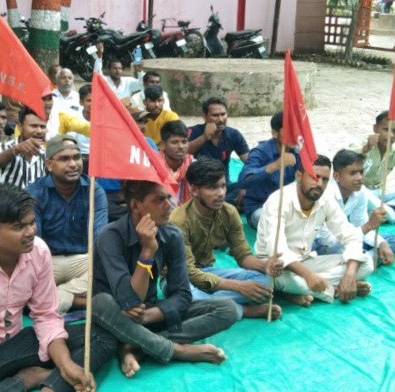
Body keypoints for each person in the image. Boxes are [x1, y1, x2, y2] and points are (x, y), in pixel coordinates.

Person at [0, 184, 116, 392]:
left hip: (18, 343)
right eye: (19, 227)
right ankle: (26, 380)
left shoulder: (38, 251)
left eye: (31, 223)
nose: (30, 232)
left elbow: (46, 315)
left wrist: (66, 366)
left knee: (100, 335)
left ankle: (51, 386)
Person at [91, 180, 236, 379]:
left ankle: (136, 347)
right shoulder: (110, 236)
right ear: (135, 206)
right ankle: (176, 350)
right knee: (100, 302)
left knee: (227, 309)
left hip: (149, 313)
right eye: (160, 200)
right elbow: (130, 301)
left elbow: (182, 294)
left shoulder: (172, 234)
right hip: (115, 316)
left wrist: (149, 315)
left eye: (169, 197)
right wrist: (147, 251)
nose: (170, 205)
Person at [170, 157, 282, 320]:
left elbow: (243, 256)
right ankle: (243, 310)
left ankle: (217, 306)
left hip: (209, 271)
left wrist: (265, 266)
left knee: (265, 280)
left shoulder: (229, 212)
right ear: (194, 190)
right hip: (179, 278)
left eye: (223, 186)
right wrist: (238, 287)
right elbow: (189, 272)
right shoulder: (179, 220)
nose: (221, 193)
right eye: (212, 188)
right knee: (188, 298)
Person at [255, 155, 374, 306]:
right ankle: (333, 290)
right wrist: (309, 276)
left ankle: (318, 288)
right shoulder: (278, 201)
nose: (319, 183)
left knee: (366, 263)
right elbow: (278, 251)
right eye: (314, 177)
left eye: (325, 180)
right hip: (274, 266)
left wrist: (350, 274)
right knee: (291, 281)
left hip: (305, 260)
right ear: (298, 176)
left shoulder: (325, 201)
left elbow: (350, 235)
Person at [27, 135, 107, 314]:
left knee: (108, 272)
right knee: (20, 285)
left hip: (83, 260)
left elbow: (98, 239)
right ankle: (79, 302)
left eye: (77, 157)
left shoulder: (94, 190)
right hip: (47, 262)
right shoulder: (34, 193)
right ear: (49, 165)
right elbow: (34, 244)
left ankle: (55, 298)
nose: (73, 164)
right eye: (64, 159)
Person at [314, 149, 395, 266]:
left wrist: (381, 243)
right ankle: (364, 261)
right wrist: (368, 226)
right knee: (334, 251)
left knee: (390, 240)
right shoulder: (326, 194)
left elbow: (359, 223)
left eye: (361, 172)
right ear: (337, 176)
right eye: (352, 173)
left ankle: (360, 261)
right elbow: (328, 241)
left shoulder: (360, 191)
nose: (359, 177)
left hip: (346, 241)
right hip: (322, 244)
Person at [239, 111, 300, 229]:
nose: (295, 135)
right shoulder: (260, 152)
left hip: (285, 206)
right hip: (259, 207)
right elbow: (243, 180)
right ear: (275, 133)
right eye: (289, 131)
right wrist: (275, 165)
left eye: (297, 130)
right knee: (276, 225)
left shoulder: (297, 153)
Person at [187, 96, 250, 206]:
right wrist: (205, 137)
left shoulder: (233, 134)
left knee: (254, 188)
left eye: (223, 114)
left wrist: (246, 184)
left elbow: (251, 162)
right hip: (199, 188)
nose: (220, 119)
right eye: (215, 115)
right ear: (205, 117)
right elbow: (183, 153)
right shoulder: (193, 132)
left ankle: (212, 204)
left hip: (223, 187)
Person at [97, 111, 159, 222]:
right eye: (138, 121)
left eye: (144, 122)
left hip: (135, 193)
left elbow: (155, 171)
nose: (143, 125)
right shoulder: (111, 142)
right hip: (109, 194)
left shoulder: (149, 143)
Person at [0, 105, 47, 189]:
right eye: (34, 126)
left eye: (42, 127)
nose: (39, 131)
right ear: (20, 127)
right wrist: (17, 149)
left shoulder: (45, 153)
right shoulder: (3, 146)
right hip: (7, 201)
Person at [159, 120, 194, 204]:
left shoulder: (193, 165)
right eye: (175, 142)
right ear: (163, 144)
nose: (181, 147)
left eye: (184, 142)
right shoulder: (153, 167)